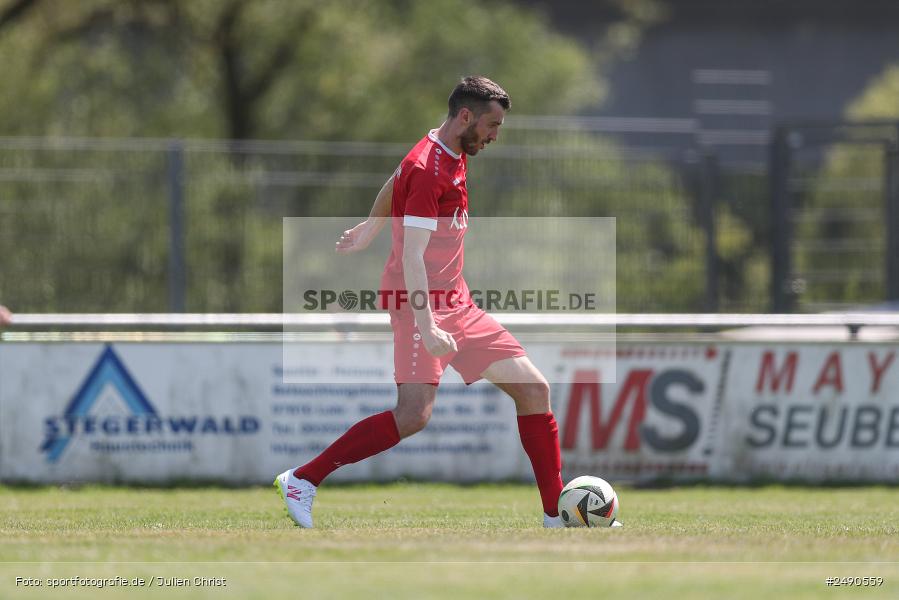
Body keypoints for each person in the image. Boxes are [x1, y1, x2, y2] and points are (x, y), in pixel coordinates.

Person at [275, 76, 565, 528]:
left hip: (457, 300)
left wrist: (371, 223)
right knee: (413, 415)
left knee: (534, 390)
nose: (495, 135)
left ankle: (556, 515)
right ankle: (303, 480)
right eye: (492, 125)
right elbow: (412, 254)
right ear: (466, 117)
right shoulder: (431, 169)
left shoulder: (446, 147)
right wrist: (428, 326)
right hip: (418, 304)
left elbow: (396, 175)